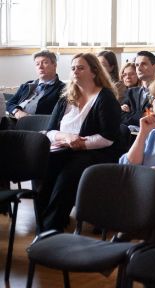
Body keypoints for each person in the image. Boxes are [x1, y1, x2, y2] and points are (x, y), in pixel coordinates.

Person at [37, 53, 121, 231]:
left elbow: (108, 138)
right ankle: (42, 223)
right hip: (64, 148)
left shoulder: (105, 98)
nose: (75, 71)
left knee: (66, 178)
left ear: (94, 72)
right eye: (73, 68)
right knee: (43, 170)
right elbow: (50, 131)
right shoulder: (66, 97)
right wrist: (67, 138)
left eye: (81, 68)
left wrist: (81, 143)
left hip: (94, 153)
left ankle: (51, 228)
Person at [6, 50, 65, 119]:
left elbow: (58, 115)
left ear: (54, 65)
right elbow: (9, 103)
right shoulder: (27, 84)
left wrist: (30, 119)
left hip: (36, 123)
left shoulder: (62, 88)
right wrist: (17, 111)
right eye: (37, 64)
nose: (40, 67)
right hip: (12, 119)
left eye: (45, 63)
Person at [121, 51, 155, 126]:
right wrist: (142, 115)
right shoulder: (131, 92)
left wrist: (131, 114)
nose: (139, 68)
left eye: (143, 64)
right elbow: (121, 116)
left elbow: (153, 119)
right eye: (137, 65)